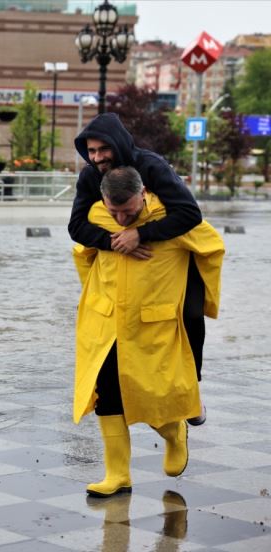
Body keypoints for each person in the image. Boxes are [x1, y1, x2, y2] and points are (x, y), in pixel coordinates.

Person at [72, 167, 224, 497]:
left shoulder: (173, 219)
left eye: (128, 211)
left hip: (154, 324)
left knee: (153, 394)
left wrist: (198, 303)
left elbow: (212, 249)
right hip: (109, 324)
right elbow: (83, 253)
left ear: (142, 195)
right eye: (115, 212)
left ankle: (174, 434)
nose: (122, 219)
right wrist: (94, 296)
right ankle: (117, 474)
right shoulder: (98, 216)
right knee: (108, 392)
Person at [69, 113, 209, 426]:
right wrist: (113, 240)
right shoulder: (90, 176)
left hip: (175, 261)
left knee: (189, 315)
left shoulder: (153, 166)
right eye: (91, 151)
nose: (96, 157)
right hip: (126, 269)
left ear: (118, 144)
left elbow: (189, 213)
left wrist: (140, 234)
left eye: (102, 149)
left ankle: (193, 390)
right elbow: (76, 226)